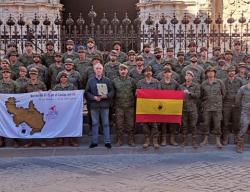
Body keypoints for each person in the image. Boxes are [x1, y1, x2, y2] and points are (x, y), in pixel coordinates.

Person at [85, 63, 114, 149]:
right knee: (95, 123)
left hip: (104, 105)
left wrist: (106, 96)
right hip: (94, 105)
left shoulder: (107, 80)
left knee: (105, 123)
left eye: (100, 68)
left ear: (102, 70)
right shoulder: (90, 81)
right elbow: (87, 92)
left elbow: (112, 91)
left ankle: (107, 142)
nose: (98, 70)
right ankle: (94, 142)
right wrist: (93, 97)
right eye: (97, 68)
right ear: (94, 70)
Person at [200, 66, 225, 149]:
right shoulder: (203, 83)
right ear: (206, 74)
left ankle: (218, 140)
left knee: (217, 124)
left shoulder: (219, 82)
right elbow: (201, 96)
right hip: (207, 107)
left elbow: (223, 94)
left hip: (217, 107)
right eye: (208, 72)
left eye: (212, 71)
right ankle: (205, 139)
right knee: (206, 123)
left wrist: (218, 101)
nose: (210, 73)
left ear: (215, 73)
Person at [137, 66, 161, 149]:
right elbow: (136, 94)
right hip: (143, 106)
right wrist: (137, 93)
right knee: (145, 123)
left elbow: (160, 94)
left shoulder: (157, 82)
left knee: (155, 124)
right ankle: (147, 139)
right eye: (146, 71)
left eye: (150, 71)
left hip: (154, 106)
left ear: (152, 72)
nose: (148, 72)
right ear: (144, 73)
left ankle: (155, 140)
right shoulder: (140, 82)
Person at [113, 64, 136, 146]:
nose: (123, 71)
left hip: (130, 106)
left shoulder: (132, 81)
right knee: (119, 124)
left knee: (130, 124)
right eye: (121, 70)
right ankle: (120, 140)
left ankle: (131, 140)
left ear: (127, 71)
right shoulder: (115, 81)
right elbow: (113, 93)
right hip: (119, 106)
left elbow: (134, 92)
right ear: (119, 71)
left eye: (124, 70)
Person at [53, 72, 78, 147]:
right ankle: (60, 140)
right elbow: (52, 96)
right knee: (59, 124)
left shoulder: (72, 86)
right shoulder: (56, 87)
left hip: (70, 109)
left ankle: (72, 140)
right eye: (62, 77)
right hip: (60, 109)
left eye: (65, 77)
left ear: (67, 78)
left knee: (71, 124)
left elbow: (76, 95)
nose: (63, 78)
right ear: (59, 79)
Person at [23, 68, 47, 148]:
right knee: (29, 124)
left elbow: (46, 95)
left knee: (40, 124)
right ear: (29, 75)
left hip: (39, 108)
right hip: (29, 108)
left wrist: (42, 93)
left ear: (37, 75)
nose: (33, 75)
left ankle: (41, 141)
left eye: (34, 74)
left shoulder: (41, 84)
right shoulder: (26, 84)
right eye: (31, 74)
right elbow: (22, 95)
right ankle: (29, 141)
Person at [222, 66, 243, 145]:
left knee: (236, 121)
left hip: (236, 103)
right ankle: (225, 137)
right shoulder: (223, 81)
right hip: (226, 103)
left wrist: (239, 102)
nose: (231, 72)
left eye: (233, 71)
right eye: (230, 71)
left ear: (235, 72)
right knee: (225, 121)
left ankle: (236, 136)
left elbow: (242, 92)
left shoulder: (239, 81)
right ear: (227, 73)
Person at [159, 66, 180, 146]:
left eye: (169, 72)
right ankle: (163, 139)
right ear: (163, 74)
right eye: (166, 73)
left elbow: (178, 93)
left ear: (171, 74)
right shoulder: (160, 82)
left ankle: (172, 139)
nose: (167, 74)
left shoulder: (175, 83)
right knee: (163, 123)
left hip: (172, 105)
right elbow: (158, 94)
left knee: (172, 122)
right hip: (163, 106)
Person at [179, 70, 200, 148]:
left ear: (192, 77)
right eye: (187, 75)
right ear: (185, 77)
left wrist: (189, 93)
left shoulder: (196, 86)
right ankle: (184, 141)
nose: (188, 77)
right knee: (184, 125)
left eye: (190, 75)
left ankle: (194, 141)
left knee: (193, 125)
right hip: (183, 109)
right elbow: (177, 96)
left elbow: (198, 95)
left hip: (192, 109)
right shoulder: (181, 86)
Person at [0, 68, 17, 147]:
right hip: (1, 108)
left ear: (10, 74)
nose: (6, 74)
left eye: (7, 72)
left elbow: (19, 95)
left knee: (12, 123)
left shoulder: (15, 83)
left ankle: (13, 140)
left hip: (12, 108)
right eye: (4, 72)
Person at [235, 73, 250, 153]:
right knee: (243, 127)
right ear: (248, 78)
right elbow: (237, 100)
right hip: (245, 111)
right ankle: (239, 144)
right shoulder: (243, 88)